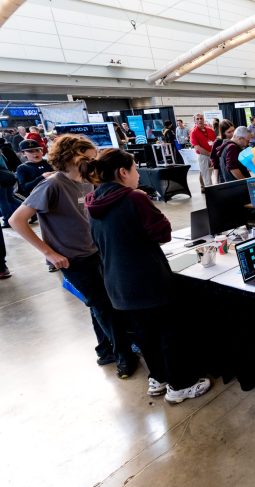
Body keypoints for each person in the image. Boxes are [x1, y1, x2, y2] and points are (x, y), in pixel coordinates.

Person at [84, 148, 212, 403]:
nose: (139, 176)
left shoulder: (93, 200)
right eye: (134, 170)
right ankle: (180, 385)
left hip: (116, 282)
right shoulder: (134, 198)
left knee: (145, 334)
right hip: (147, 279)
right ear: (122, 172)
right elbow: (162, 233)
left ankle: (158, 377)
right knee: (168, 332)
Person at [9, 134, 136, 376]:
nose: (91, 162)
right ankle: (123, 356)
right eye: (86, 157)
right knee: (104, 306)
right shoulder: (52, 185)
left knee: (99, 304)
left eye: (92, 157)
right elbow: (17, 220)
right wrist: (49, 253)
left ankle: (105, 349)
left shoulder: (88, 181)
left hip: (96, 252)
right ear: (68, 157)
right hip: (73, 260)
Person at [189, 113, 217, 190]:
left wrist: (213, 154)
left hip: (212, 155)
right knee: (207, 176)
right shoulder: (193, 132)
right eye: (197, 119)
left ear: (204, 119)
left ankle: (203, 187)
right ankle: (211, 193)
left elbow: (215, 143)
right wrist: (209, 154)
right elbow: (197, 147)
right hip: (203, 156)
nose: (200, 120)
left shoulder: (210, 130)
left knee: (207, 173)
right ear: (195, 121)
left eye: (201, 118)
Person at [0, 154, 20, 228]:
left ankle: (7, 220)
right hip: (7, 176)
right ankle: (31, 211)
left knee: (2, 200)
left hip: (2, 178)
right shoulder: (1, 153)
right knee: (10, 198)